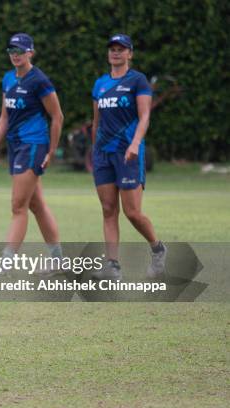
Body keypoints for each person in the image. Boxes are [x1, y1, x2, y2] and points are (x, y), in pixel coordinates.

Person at [0, 33, 64, 276]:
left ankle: (5, 262)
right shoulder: (8, 79)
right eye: (11, 50)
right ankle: (58, 260)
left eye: (20, 50)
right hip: (16, 146)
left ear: (31, 52)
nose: (15, 55)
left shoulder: (39, 81)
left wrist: (51, 151)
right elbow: (4, 117)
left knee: (18, 205)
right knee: (36, 205)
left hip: (33, 146)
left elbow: (57, 117)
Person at [90, 34, 167, 280]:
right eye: (112, 49)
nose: (116, 53)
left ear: (129, 54)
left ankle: (158, 248)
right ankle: (112, 266)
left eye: (121, 49)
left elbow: (145, 116)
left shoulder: (138, 81)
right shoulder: (100, 84)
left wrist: (135, 144)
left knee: (132, 212)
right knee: (108, 209)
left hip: (129, 153)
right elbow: (96, 121)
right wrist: (94, 150)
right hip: (103, 154)